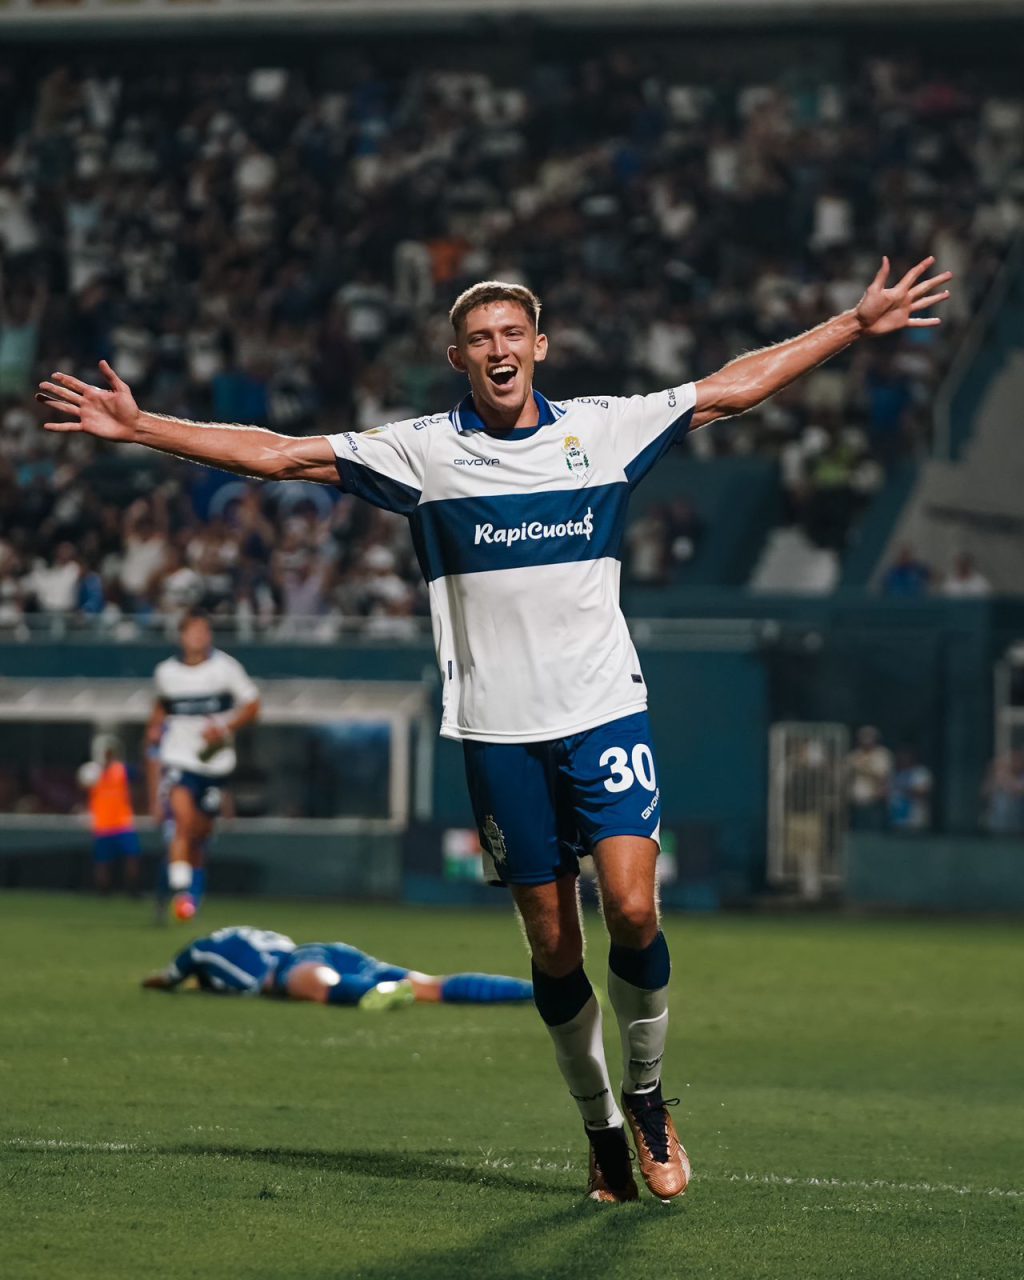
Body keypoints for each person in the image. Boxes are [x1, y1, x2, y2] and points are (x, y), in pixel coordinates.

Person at [37, 253, 951, 1203]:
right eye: (480, 339)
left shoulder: (602, 430)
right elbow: (281, 454)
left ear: (540, 346)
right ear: (458, 358)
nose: (498, 348)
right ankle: (599, 1124)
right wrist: (143, 427)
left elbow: (729, 389)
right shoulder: (424, 452)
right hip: (499, 735)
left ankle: (646, 1097)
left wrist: (852, 324)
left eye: (513, 333)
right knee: (554, 947)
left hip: (603, 712)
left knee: (634, 909)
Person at [145, 609, 260, 920]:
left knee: (199, 835)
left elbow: (253, 706)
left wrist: (224, 728)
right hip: (179, 759)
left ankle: (178, 892)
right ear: (182, 636)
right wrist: (155, 732)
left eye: (205, 631)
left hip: (214, 764)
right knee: (182, 824)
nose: (200, 637)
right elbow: (160, 712)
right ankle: (181, 894)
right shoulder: (166, 672)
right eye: (194, 631)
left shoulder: (225, 668)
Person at [141, 925, 533, 1010]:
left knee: (323, 986)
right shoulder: (250, 935)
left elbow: (167, 978)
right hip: (324, 948)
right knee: (431, 985)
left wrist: (152, 982)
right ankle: (531, 991)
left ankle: (374, 994)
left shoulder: (201, 950)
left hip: (298, 964)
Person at [77, 734, 141, 894]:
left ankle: (133, 889)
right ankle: (103, 891)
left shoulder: (121, 770)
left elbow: (139, 777)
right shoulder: (92, 773)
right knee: (102, 862)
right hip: (103, 825)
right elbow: (82, 785)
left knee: (132, 856)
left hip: (122, 823)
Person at [845, 726, 893, 831]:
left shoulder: (882, 754)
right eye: (863, 738)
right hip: (856, 802)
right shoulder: (854, 755)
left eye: (869, 738)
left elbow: (882, 776)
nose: (866, 741)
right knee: (858, 831)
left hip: (875, 801)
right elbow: (845, 774)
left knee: (874, 832)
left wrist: (863, 767)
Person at [888, 747, 934, 832]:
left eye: (906, 757)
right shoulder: (898, 773)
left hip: (915, 812)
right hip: (898, 814)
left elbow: (923, 791)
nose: (904, 760)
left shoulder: (921, 772)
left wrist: (906, 790)